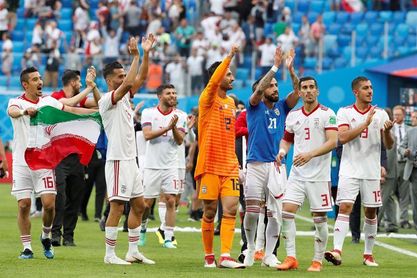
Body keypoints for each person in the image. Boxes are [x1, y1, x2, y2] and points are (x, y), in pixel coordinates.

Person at [7, 66, 93, 259]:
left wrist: (89, 93)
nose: (40, 82)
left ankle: (46, 235)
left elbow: (69, 105)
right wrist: (24, 112)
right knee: (23, 205)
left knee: (49, 205)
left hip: (45, 162)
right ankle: (27, 247)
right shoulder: (16, 102)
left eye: (40, 78)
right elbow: (12, 111)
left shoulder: (48, 101)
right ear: (25, 84)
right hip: (22, 163)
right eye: (35, 79)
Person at [325, 76, 394, 267]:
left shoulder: (381, 114)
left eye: (371, 87)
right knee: (345, 207)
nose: (370, 91)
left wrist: (387, 132)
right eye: (365, 88)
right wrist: (365, 123)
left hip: (371, 171)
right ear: (356, 92)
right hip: (349, 169)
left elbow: (388, 145)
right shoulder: (344, 112)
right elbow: (343, 137)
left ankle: (368, 254)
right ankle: (337, 250)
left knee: (370, 212)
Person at [98, 35, 156, 265]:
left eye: (124, 75)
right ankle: (109, 255)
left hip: (131, 161)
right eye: (120, 76)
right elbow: (128, 84)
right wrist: (135, 57)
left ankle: (132, 251)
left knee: (140, 205)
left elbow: (140, 77)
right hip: (118, 160)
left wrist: (146, 54)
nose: (125, 79)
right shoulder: (107, 99)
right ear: (110, 81)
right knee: (117, 206)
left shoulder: (124, 98)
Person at [243, 47, 300, 268]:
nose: (275, 88)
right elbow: (257, 91)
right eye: (271, 85)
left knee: (275, 214)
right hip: (256, 164)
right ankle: (249, 249)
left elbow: (297, 91)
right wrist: (274, 67)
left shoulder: (283, 107)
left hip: (277, 166)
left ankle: (269, 254)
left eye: (276, 85)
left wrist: (290, 69)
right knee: (252, 211)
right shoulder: (253, 106)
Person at [276, 76, 337, 272]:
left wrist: (310, 154)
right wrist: (282, 152)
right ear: (300, 93)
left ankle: (317, 260)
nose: (309, 90)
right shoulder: (293, 115)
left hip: (319, 175)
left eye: (312, 87)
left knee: (319, 218)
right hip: (297, 173)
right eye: (305, 88)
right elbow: (286, 140)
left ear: (317, 91)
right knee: (286, 212)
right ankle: (291, 257)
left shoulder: (328, 114)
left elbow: (332, 141)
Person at [194, 44, 245, 269]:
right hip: (209, 165)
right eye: (229, 74)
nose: (232, 78)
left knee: (231, 209)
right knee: (210, 211)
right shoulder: (207, 98)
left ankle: (225, 255)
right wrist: (230, 56)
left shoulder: (231, 102)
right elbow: (214, 83)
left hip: (229, 165)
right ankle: (208, 255)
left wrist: (236, 162)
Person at [50, 68, 100, 247]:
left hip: (78, 158)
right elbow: (69, 106)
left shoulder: (83, 100)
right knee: (60, 197)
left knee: (75, 198)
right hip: (58, 157)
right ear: (72, 82)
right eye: (79, 82)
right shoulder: (56, 96)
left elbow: (100, 103)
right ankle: (55, 234)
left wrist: (92, 87)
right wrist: (88, 88)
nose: (80, 85)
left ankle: (69, 236)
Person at [139, 84, 187, 249]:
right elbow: (147, 135)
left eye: (174, 92)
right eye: (169, 93)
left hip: (171, 165)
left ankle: (168, 237)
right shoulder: (149, 113)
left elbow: (180, 140)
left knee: (171, 200)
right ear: (160, 96)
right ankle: (143, 228)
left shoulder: (181, 115)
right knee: (146, 203)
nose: (173, 95)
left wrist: (173, 128)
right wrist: (167, 127)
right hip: (152, 165)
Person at [398, 120, 417, 230]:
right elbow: (400, 147)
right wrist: (405, 152)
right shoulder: (410, 132)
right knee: (415, 201)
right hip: (414, 171)